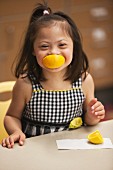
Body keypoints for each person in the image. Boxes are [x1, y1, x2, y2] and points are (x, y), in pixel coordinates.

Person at [2, 2, 105, 148]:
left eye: (62, 45)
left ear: (73, 47)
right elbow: (11, 117)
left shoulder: (84, 80)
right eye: (44, 46)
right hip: (36, 151)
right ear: (33, 50)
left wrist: (94, 115)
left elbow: (88, 120)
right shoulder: (26, 84)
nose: (54, 52)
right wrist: (16, 131)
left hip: (71, 148)